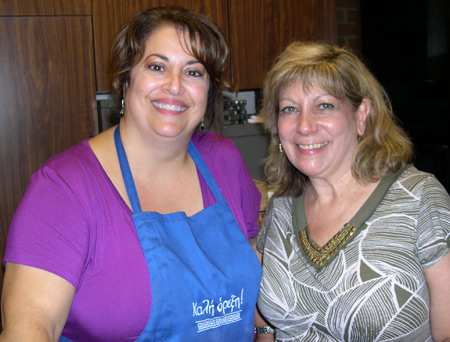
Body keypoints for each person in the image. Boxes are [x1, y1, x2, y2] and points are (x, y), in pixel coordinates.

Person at [1, 7, 262, 342]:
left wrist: (266, 331)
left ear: (209, 91)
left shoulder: (222, 159)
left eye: (194, 72)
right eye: (157, 66)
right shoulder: (63, 189)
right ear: (125, 80)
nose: (174, 86)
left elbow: (251, 264)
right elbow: (30, 327)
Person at [254, 41, 450, 342]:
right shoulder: (281, 205)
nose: (304, 126)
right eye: (290, 109)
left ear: (361, 116)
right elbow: (265, 305)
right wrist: (264, 333)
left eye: (324, 106)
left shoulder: (420, 198)